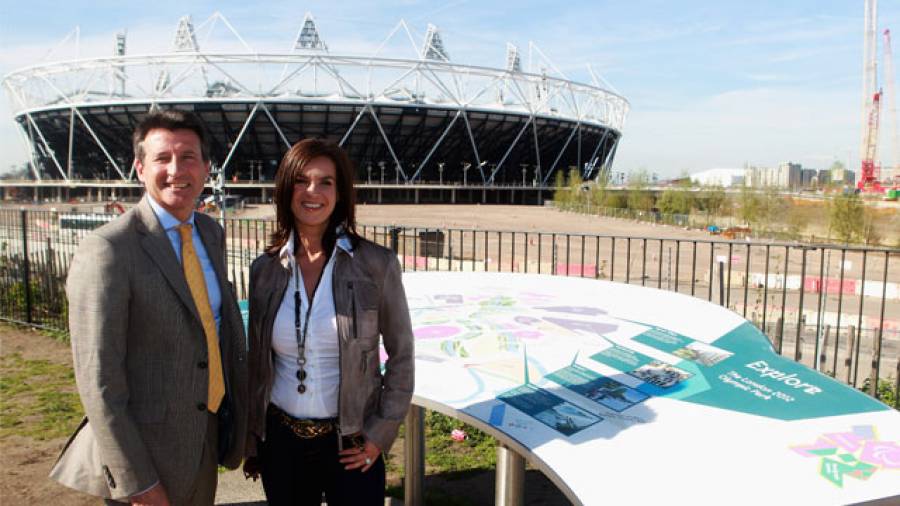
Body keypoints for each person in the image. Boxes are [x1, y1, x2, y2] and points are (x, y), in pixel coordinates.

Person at [50, 110, 248, 506]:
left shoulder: (210, 233)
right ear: (140, 168)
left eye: (188, 157)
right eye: (162, 158)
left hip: (203, 437)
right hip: (145, 456)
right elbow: (98, 382)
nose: (177, 170)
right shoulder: (109, 249)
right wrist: (134, 480)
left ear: (207, 168)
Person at [243, 139, 414, 505]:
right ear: (286, 189)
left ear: (340, 193)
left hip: (350, 443)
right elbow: (256, 363)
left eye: (325, 182)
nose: (312, 192)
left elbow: (402, 355)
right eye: (302, 180)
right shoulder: (265, 270)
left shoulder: (376, 265)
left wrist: (378, 435)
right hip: (281, 443)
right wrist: (253, 439)